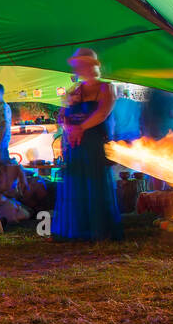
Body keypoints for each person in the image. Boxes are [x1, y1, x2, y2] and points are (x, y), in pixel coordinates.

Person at [51, 48, 123, 241]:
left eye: (82, 65)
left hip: (93, 142)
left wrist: (80, 127)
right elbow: (62, 116)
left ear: (92, 66)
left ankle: (99, 230)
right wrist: (70, 129)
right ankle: (77, 229)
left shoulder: (105, 88)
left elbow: (102, 113)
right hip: (76, 144)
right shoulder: (74, 90)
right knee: (76, 183)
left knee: (95, 183)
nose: (78, 69)